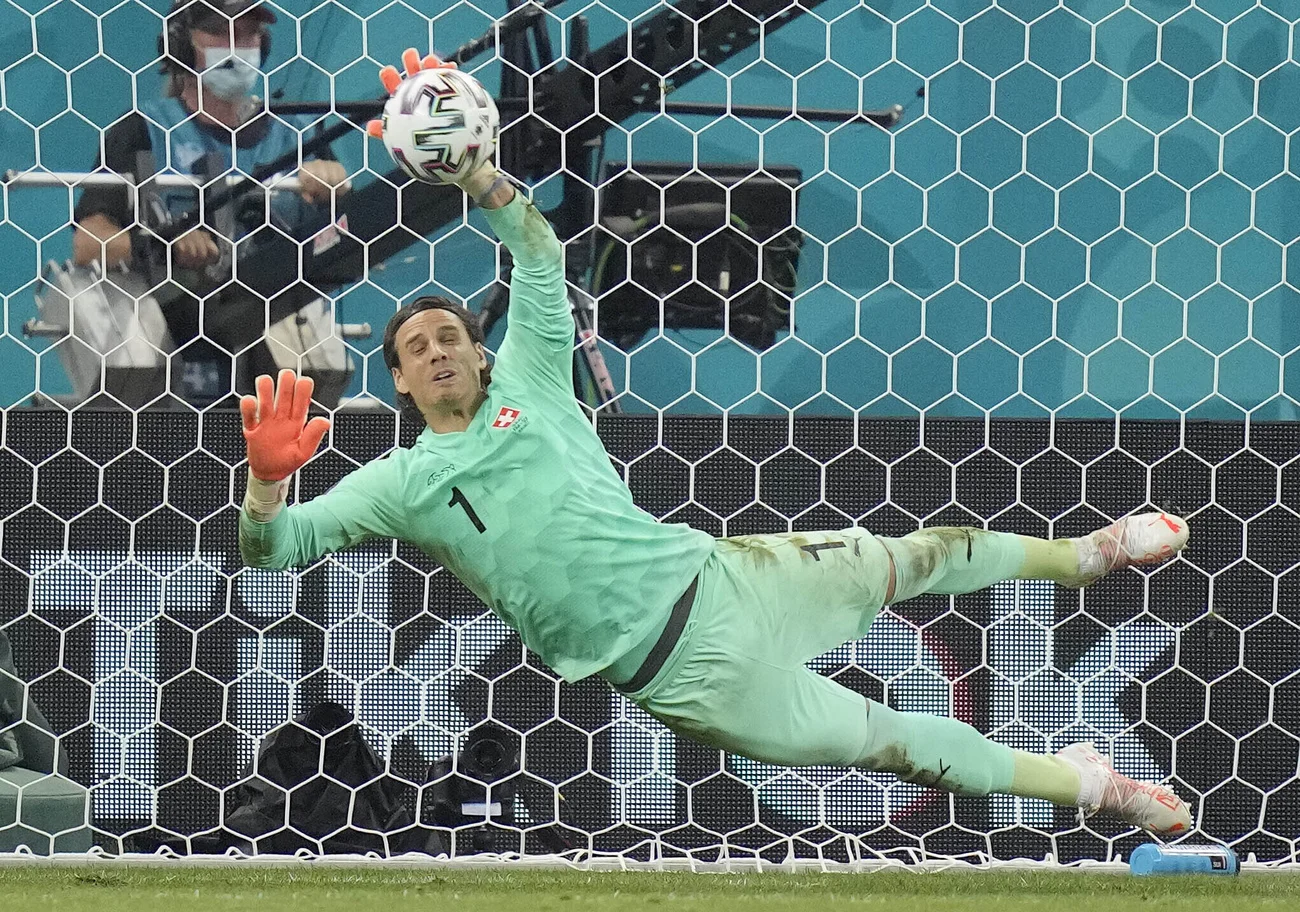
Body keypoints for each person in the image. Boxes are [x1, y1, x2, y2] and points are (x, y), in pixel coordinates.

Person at [238, 51, 1193, 838]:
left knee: (914, 557)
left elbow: (537, 250)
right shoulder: (402, 481)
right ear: (397, 380)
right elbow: (270, 551)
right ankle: (1102, 792)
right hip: (686, 680)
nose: (440, 349)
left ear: (477, 354)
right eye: (417, 348)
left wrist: (474, 166)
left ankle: (1083, 555)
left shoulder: (528, 378)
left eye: (450, 335)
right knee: (901, 743)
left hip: (731, 577)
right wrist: (266, 484)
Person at [72, 0, 350, 403]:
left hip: (280, 348)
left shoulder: (301, 133)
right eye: (219, 31)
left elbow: (352, 239)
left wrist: (335, 192)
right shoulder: (143, 130)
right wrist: (165, 244)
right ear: (181, 46)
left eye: (248, 33)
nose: (236, 46)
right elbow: (89, 242)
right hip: (171, 356)